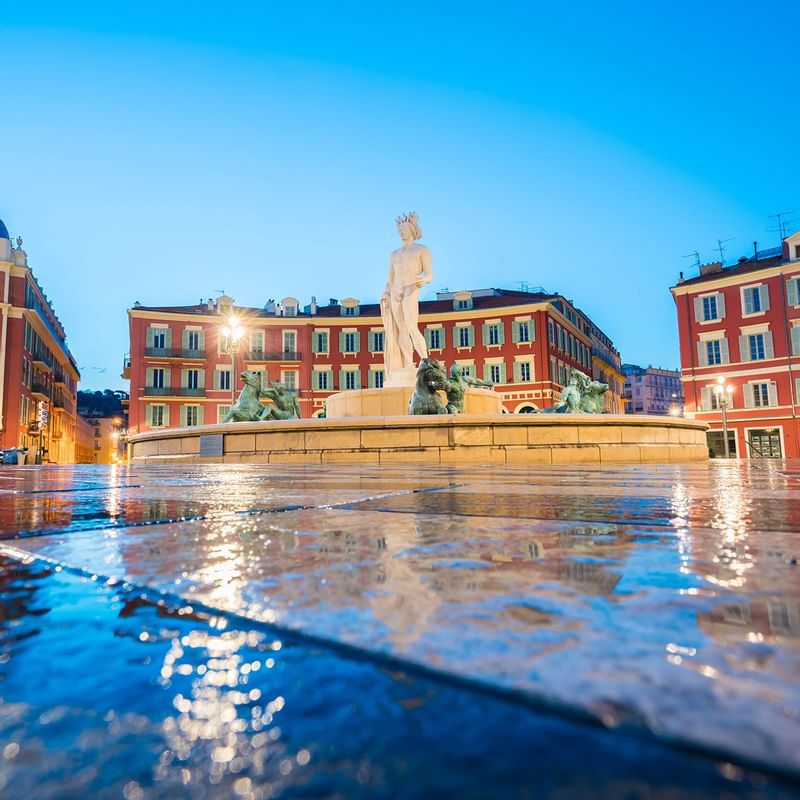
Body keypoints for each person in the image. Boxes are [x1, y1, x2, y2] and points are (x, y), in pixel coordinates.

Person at [380, 212, 433, 385]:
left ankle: (425, 362)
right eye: (399, 230)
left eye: (403, 229)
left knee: (411, 327)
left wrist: (424, 279)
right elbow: (390, 278)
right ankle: (408, 364)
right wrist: (385, 292)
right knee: (401, 329)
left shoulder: (421, 249)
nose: (401, 233)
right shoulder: (394, 254)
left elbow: (429, 273)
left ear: (411, 229)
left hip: (411, 288)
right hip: (395, 291)